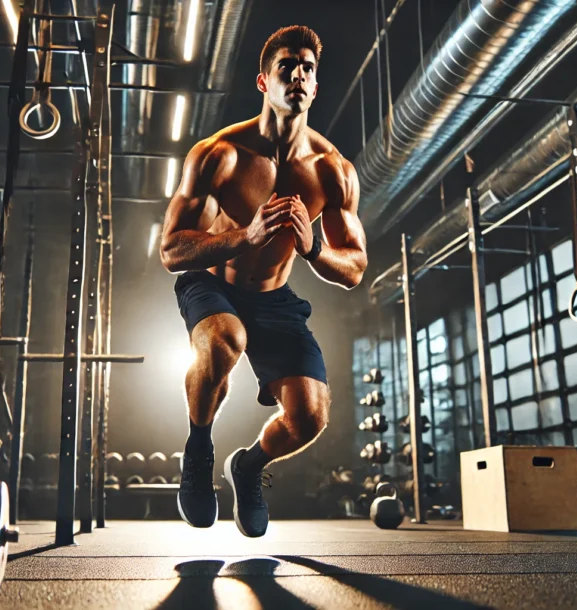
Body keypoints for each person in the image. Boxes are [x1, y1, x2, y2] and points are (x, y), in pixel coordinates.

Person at [159, 25, 368, 537]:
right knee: (226, 340)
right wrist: (243, 237)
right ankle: (199, 446)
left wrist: (314, 246)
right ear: (264, 81)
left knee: (310, 418)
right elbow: (172, 250)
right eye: (287, 67)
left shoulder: (333, 171)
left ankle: (248, 467)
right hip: (213, 285)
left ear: (315, 87)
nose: (298, 75)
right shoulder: (219, 155)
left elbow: (355, 267)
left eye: (308, 69)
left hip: (275, 297)